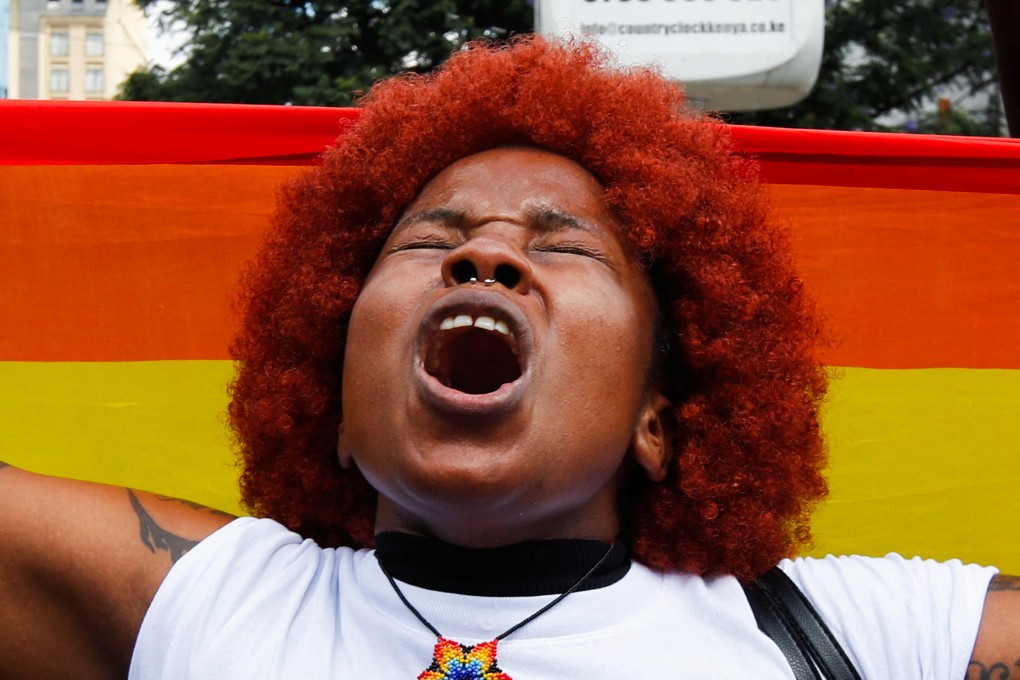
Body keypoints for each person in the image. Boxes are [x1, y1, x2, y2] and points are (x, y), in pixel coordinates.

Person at [0, 36, 1017, 680]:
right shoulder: (201, 599)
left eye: (563, 242)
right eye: (428, 239)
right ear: (338, 404)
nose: (484, 255)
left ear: (658, 419)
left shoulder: (870, 635)